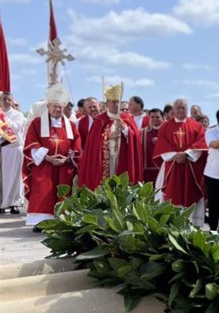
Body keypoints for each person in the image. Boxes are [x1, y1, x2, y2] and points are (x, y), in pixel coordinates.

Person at [22, 83, 80, 230]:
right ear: (48, 107)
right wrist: (47, 157)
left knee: (64, 192)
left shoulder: (71, 125)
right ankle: (41, 222)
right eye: (54, 106)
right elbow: (31, 142)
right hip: (44, 165)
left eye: (60, 107)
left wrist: (68, 158)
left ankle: (63, 221)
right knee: (43, 192)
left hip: (64, 165)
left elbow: (76, 144)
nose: (57, 109)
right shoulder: (37, 122)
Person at [153, 99, 208, 226]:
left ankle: (192, 225)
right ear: (173, 109)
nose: (180, 110)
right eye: (177, 108)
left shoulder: (196, 126)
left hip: (191, 168)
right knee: (168, 195)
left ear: (187, 109)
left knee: (191, 194)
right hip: (171, 166)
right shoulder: (165, 126)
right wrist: (175, 155)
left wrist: (186, 154)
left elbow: (200, 143)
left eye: (183, 108)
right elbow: (162, 144)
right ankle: (169, 224)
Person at [78, 85, 143, 190]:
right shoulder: (100, 120)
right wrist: (108, 137)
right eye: (113, 102)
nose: (116, 104)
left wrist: (124, 128)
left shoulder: (127, 118)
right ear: (107, 103)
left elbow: (135, 138)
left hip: (122, 158)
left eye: (118, 101)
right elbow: (93, 144)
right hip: (106, 159)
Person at [1, 91, 27, 214]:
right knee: (2, 178)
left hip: (14, 149)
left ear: (12, 101)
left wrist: (2, 118)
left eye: (9, 100)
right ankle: (2, 203)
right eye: (4, 99)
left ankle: (14, 203)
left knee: (15, 178)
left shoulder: (18, 115)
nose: (6, 102)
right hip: (2, 149)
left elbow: (14, 128)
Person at [141, 108, 163, 184]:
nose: (155, 119)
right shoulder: (142, 132)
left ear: (162, 118)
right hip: (147, 171)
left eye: (157, 117)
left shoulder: (167, 131)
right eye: (152, 117)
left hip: (163, 169)